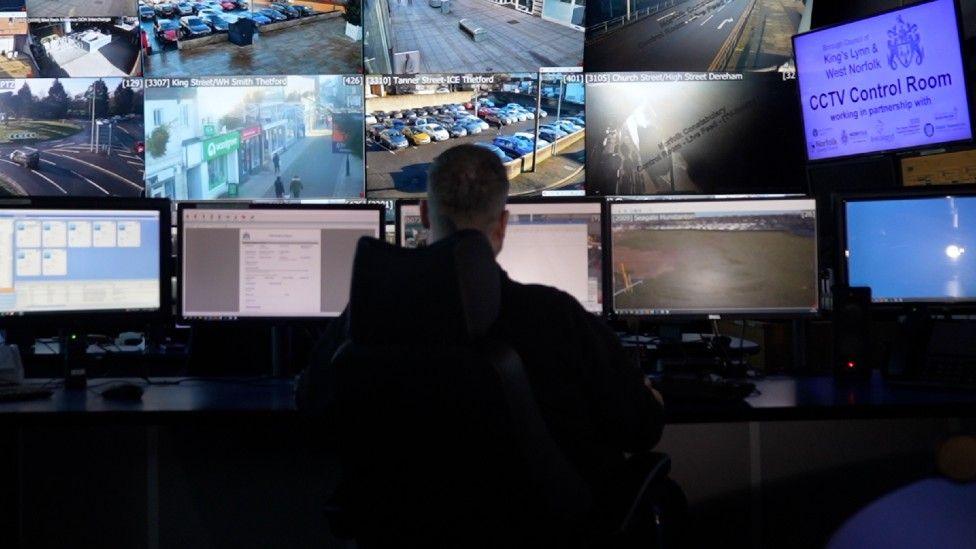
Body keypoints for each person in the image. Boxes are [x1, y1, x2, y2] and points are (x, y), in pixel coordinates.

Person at [297, 144, 665, 520]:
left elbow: (312, 411)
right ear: (503, 224)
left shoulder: (367, 314)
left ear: (424, 214)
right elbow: (641, 431)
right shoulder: (557, 316)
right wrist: (649, 399)